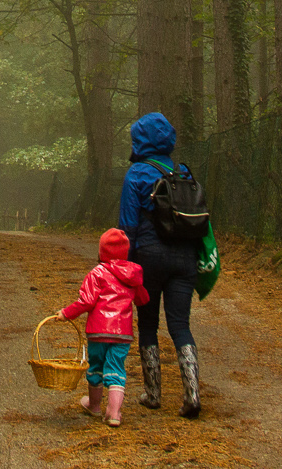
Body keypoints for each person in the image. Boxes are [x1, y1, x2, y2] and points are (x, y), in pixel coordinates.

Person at [119, 111, 204, 417]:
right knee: (181, 325)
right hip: (185, 259)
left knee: (149, 324)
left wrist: (124, 270)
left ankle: (153, 393)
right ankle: (192, 394)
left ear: (140, 140)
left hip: (149, 258)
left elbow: (127, 227)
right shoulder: (183, 173)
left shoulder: (137, 174)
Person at [57, 227, 150, 427]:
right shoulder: (133, 275)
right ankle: (114, 413)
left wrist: (66, 313)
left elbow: (86, 302)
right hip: (122, 333)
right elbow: (143, 299)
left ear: (101, 252)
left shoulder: (97, 273)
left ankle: (95, 405)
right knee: (116, 368)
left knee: (96, 367)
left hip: (98, 331)